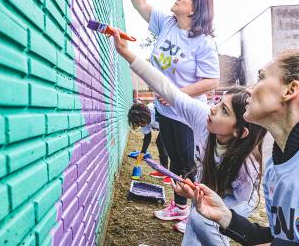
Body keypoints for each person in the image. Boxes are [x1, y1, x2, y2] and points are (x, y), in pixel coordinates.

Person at [111, 29, 267, 244]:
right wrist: (127, 53)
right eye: (218, 103)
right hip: (209, 188)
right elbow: (167, 88)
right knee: (195, 221)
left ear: (239, 132)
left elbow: (241, 200)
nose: (212, 109)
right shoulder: (204, 117)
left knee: (204, 221)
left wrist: (215, 208)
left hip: (238, 199)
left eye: (224, 111)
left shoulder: (247, 165)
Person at [174, 48, 299, 245]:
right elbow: (279, 238)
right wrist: (225, 216)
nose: (248, 89)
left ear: (290, 90)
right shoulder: (273, 169)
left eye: (261, 77)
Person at [127, 0, 220, 225]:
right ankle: (179, 207)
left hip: (186, 114)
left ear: (194, 9)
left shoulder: (203, 42)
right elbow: (140, 3)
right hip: (165, 109)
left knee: (188, 164)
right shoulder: (167, 23)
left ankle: (194, 213)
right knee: (176, 162)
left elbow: (212, 80)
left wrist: (176, 94)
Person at [128, 102, 171, 183]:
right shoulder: (144, 121)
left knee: (171, 146)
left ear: (145, 115)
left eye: (141, 122)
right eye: (138, 123)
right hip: (164, 126)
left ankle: (173, 176)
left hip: (173, 123)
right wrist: (143, 152)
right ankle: (163, 170)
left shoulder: (156, 111)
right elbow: (147, 136)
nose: (140, 124)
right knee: (160, 142)